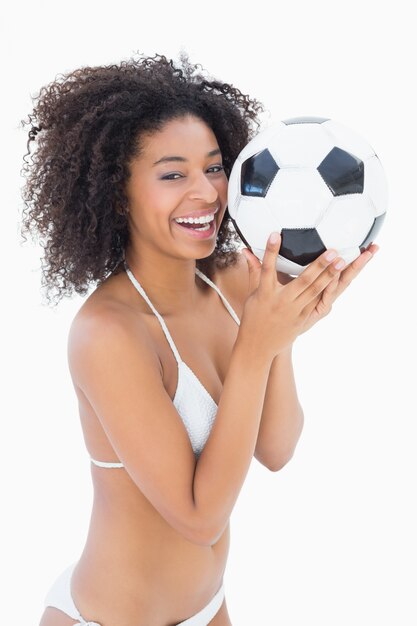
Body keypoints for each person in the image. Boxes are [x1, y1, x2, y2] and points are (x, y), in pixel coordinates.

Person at [20, 52, 379, 626]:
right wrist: (258, 344)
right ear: (118, 194)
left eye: (214, 168)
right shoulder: (107, 332)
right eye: (172, 174)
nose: (207, 193)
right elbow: (198, 516)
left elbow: (277, 449)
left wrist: (281, 325)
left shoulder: (236, 277)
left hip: (210, 607)